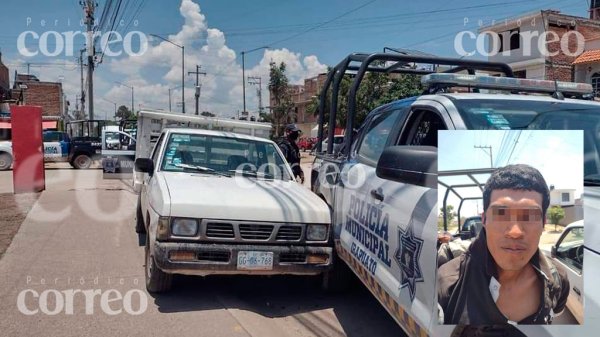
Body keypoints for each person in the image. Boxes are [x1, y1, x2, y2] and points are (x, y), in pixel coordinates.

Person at [438, 164, 570, 325]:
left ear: (543, 223)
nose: (515, 232)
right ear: (484, 220)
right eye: (500, 214)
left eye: (529, 216)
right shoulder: (446, 284)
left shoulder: (558, 279)